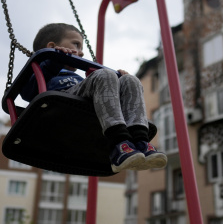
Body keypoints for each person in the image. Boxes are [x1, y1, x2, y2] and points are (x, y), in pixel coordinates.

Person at [20, 23, 167, 173]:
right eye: (76, 45)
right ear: (52, 46)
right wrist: (53, 61)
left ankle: (141, 142)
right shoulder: (40, 70)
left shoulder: (76, 77)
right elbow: (26, 92)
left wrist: (120, 83)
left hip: (87, 108)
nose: (81, 53)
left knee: (131, 80)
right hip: (59, 106)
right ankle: (118, 144)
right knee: (105, 74)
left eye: (82, 48)